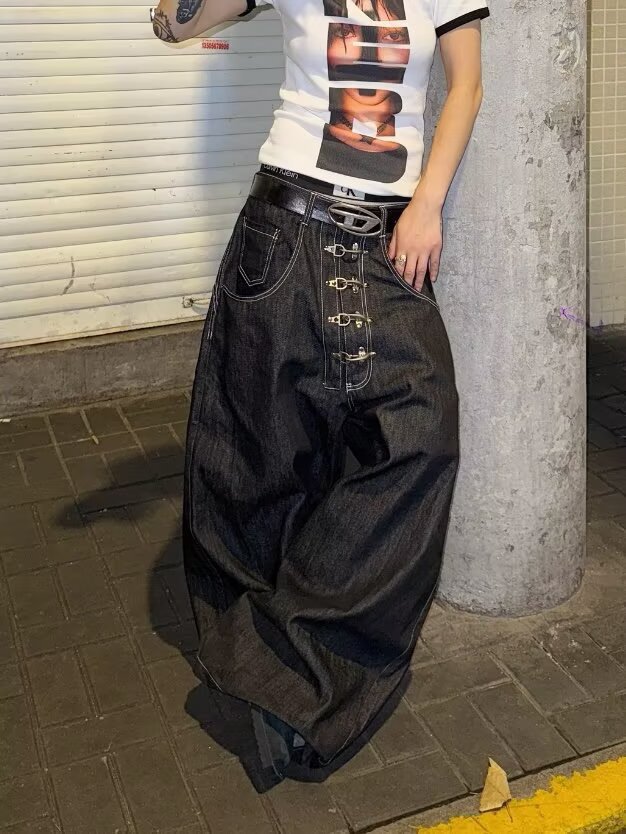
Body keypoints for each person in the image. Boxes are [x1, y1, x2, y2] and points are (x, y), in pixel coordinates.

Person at [151, 0, 489, 790]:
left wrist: (429, 204)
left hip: (389, 241)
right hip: (286, 231)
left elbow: (466, 86)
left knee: (420, 439)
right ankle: (273, 678)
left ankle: (293, 649)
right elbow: (178, 23)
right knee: (264, 455)